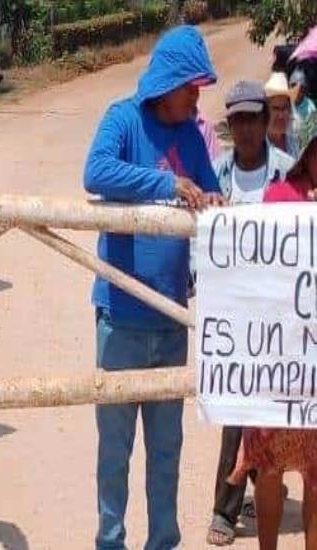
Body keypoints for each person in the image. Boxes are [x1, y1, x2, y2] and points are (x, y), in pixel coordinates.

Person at [83, 25, 222, 550]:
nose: (197, 95)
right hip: (119, 316)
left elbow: (210, 192)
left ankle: (163, 542)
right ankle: (110, 543)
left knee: (167, 451)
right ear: (170, 81)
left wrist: (212, 200)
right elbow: (94, 171)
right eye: (192, 85)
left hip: (170, 319)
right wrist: (166, 184)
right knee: (114, 452)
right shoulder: (122, 119)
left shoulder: (191, 132)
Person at [205, 80, 294, 546]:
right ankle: (225, 508)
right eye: (236, 119)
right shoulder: (216, 175)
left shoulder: (288, 174)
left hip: (281, 315)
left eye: (251, 118)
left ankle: (265, 499)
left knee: (274, 410)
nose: (244, 128)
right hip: (235, 316)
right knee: (235, 410)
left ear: (265, 121)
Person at [226, 136, 317, 550]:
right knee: (269, 465)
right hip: (277, 358)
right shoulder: (278, 196)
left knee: (316, 472)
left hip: (313, 363)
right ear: (309, 153)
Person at [265, 72, 300, 159]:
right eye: (276, 108)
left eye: (284, 108)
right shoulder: (256, 147)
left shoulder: (294, 142)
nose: (281, 115)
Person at [290, 68, 317, 145]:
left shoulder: (310, 107)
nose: (297, 91)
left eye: (301, 88)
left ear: (305, 91)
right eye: (293, 86)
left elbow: (311, 134)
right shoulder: (286, 102)